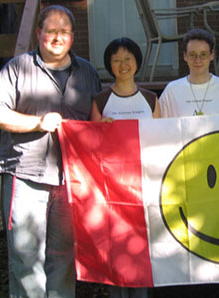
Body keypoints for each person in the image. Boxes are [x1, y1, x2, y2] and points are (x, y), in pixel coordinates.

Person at [0, 5, 101, 297]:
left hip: (69, 180)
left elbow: (95, 119)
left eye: (64, 32)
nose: (57, 37)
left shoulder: (87, 72)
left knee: (63, 256)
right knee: (26, 257)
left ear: (73, 37)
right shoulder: (17, 67)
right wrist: (38, 122)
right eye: (51, 30)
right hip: (25, 175)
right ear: (39, 33)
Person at [90, 37, 159, 298]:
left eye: (128, 58)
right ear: (110, 65)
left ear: (137, 63)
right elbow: (91, 146)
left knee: (141, 249)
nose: (123, 64)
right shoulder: (100, 99)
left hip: (144, 187)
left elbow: (160, 141)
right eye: (116, 59)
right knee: (115, 250)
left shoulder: (151, 100)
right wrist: (101, 131)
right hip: (111, 190)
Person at [159, 28, 219, 117]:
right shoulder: (172, 91)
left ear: (212, 55)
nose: (198, 60)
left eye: (203, 54)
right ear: (185, 56)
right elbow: (160, 126)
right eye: (192, 54)